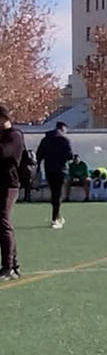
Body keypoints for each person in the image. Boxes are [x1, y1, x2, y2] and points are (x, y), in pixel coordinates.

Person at [0, 106, 24, 280]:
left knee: (3, 223)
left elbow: (4, 153)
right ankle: (12, 265)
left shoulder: (14, 135)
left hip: (8, 184)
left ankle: (8, 267)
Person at [35, 122, 72, 228]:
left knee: (54, 193)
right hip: (61, 170)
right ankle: (54, 219)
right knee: (58, 194)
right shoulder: (64, 140)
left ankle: (57, 216)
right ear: (63, 128)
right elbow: (69, 156)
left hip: (49, 169)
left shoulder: (46, 139)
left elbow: (39, 155)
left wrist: (38, 168)